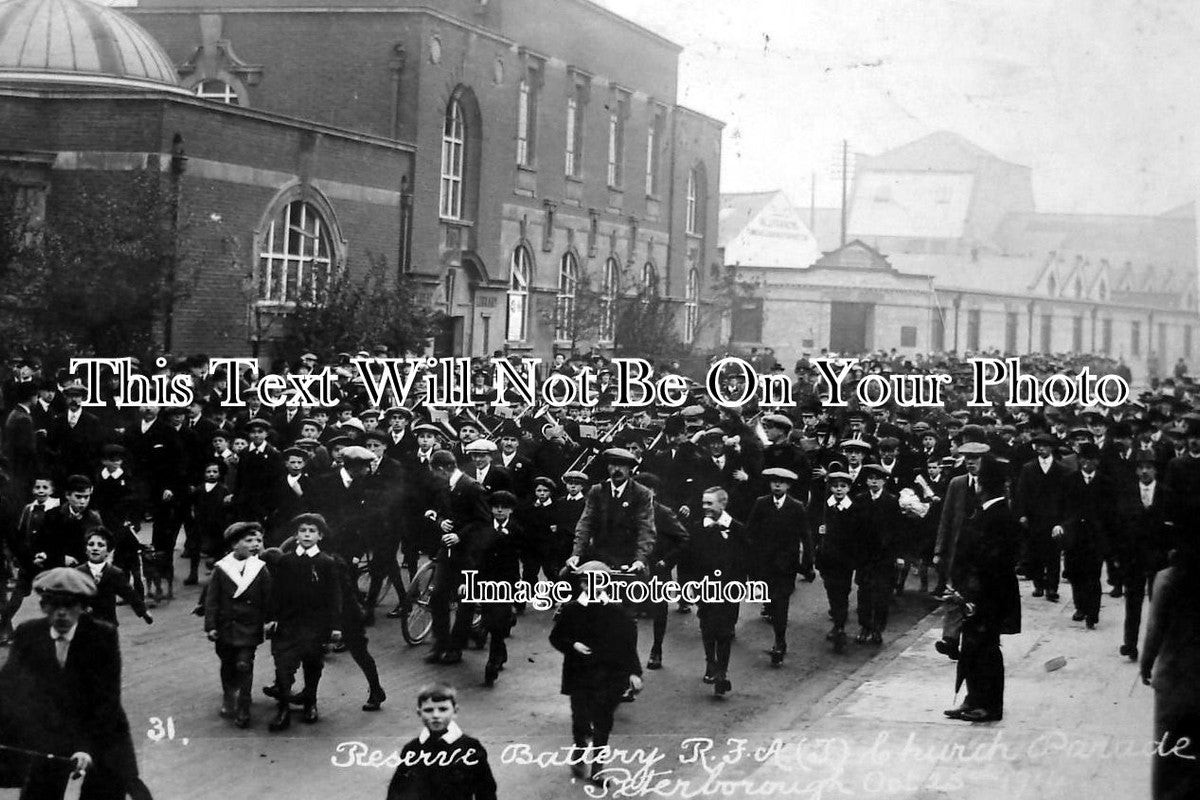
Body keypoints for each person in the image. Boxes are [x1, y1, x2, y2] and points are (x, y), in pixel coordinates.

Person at [0, 568, 148, 800]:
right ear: (43, 606)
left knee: (104, 789)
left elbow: (106, 699)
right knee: (38, 793)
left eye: (69, 605)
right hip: (50, 732)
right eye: (54, 605)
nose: (61, 613)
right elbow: (9, 686)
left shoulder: (102, 636)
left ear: (83, 607)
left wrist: (85, 747)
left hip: (100, 732)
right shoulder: (28, 633)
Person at [548, 562, 643, 783]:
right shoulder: (571, 609)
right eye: (588, 582)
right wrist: (573, 646)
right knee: (580, 719)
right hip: (579, 674)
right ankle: (580, 746)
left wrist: (634, 673)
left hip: (609, 676)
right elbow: (556, 637)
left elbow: (627, 645)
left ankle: (598, 769)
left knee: (603, 722)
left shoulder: (616, 611)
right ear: (581, 584)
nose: (594, 587)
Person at [944, 458, 1020, 723]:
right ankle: (973, 698)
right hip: (978, 594)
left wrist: (974, 596)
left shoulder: (998, 516)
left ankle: (990, 705)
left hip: (988, 596)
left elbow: (993, 562)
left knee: (987, 650)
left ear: (984, 487)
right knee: (972, 648)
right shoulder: (987, 512)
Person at [262, 513, 342, 731]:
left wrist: (335, 626)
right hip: (287, 624)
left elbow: (334, 597)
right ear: (296, 535)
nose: (307, 535)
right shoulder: (286, 561)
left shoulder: (326, 563)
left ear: (320, 536)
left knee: (313, 663)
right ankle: (284, 708)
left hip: (315, 625)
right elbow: (275, 593)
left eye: (312, 531)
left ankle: (310, 701)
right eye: (303, 531)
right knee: (284, 666)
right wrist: (271, 618)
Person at [1140, 544, 1200, 799]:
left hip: (1174, 680)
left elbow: (1155, 630)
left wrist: (1146, 662)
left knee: (1169, 757)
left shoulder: (1167, 579)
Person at [204, 522, 271, 728]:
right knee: (227, 663)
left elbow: (268, 598)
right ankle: (228, 695)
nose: (254, 545)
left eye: (258, 540)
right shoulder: (222, 568)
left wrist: (269, 620)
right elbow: (212, 600)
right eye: (248, 540)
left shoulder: (259, 569)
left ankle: (243, 704)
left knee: (244, 664)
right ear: (234, 544)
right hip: (226, 627)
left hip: (249, 627)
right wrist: (211, 625)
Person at [745, 467, 811, 666]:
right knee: (771, 603)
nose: (777, 485)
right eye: (774, 481)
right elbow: (750, 532)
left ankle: (779, 642)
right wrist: (749, 560)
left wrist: (808, 563)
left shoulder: (796, 507)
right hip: (763, 562)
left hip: (785, 565)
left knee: (781, 603)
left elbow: (806, 536)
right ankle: (776, 628)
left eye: (781, 482)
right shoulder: (761, 503)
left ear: (788, 485)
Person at [386, 683, 496, 800]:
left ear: (455, 711)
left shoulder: (470, 748)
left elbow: (486, 791)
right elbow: (396, 791)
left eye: (443, 709)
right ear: (419, 713)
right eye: (428, 710)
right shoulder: (412, 749)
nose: (435, 715)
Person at [687, 487, 748, 696]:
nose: (705, 508)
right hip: (705, 587)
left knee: (725, 631)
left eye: (710, 504)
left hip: (729, 589)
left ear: (722, 504)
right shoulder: (697, 528)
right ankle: (710, 663)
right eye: (703, 503)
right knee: (707, 626)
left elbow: (746, 557)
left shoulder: (737, 528)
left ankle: (722, 671)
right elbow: (690, 559)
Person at [566, 448, 655, 574]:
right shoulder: (597, 491)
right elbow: (585, 524)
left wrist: (640, 559)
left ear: (629, 469)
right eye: (613, 464)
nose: (617, 469)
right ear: (608, 467)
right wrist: (576, 554)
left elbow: (646, 529)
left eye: (622, 465)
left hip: (630, 560)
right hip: (599, 559)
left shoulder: (641, 493)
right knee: (567, 578)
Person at [75, 529, 153, 629]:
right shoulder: (78, 572)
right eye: (91, 544)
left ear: (108, 551)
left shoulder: (114, 573)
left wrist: (143, 611)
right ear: (86, 549)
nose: (95, 548)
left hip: (108, 623)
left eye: (100, 545)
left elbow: (128, 593)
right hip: (85, 625)